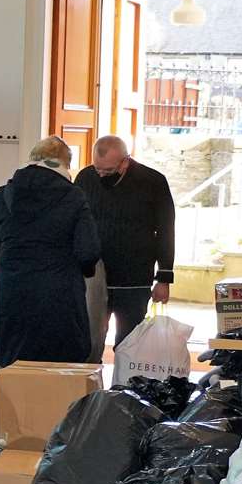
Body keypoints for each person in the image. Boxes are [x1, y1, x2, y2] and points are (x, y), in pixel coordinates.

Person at [0, 136, 101, 366]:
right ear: (65, 164)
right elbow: (88, 251)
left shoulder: (3, 195)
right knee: (61, 367)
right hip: (61, 296)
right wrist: (80, 270)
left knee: (17, 365)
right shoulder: (74, 197)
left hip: (14, 293)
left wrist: (12, 266)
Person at [73, 136, 176, 347]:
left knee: (130, 341)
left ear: (125, 161)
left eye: (108, 171)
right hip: (94, 277)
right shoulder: (85, 178)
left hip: (134, 279)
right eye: (97, 169)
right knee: (89, 339)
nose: (101, 175)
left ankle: (127, 380)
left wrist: (164, 278)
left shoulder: (153, 181)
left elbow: (166, 230)